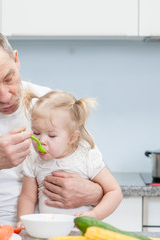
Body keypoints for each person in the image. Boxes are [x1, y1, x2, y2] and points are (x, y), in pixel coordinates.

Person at [0, 27, 104, 226]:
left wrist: (95, 193)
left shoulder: (51, 104)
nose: (5, 96)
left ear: (16, 60)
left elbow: (98, 176)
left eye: (9, 79)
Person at [17, 90, 123, 227]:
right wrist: (23, 221)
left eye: (52, 135)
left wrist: (95, 215)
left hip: (82, 232)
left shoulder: (86, 157)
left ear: (72, 138)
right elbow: (27, 197)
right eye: (36, 133)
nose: (41, 141)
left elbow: (115, 192)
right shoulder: (32, 160)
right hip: (48, 232)